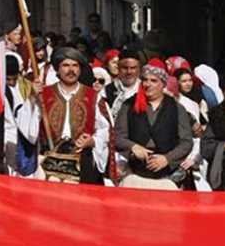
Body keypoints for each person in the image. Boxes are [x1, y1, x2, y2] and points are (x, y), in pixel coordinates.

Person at [18, 47, 109, 184]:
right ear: (57, 69)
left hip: (81, 163)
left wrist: (92, 141)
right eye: (66, 65)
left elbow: (106, 129)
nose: (71, 70)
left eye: (75, 65)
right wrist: (32, 97)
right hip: (49, 164)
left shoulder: (93, 96)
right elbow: (27, 130)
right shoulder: (44, 95)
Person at [114, 61, 193, 190]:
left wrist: (167, 159)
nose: (148, 84)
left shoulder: (177, 109)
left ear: (163, 84)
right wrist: (133, 147)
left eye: (154, 81)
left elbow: (186, 142)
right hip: (135, 173)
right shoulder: (128, 105)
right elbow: (116, 136)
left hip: (166, 176)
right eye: (145, 80)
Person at [105, 52, 141, 121]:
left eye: (133, 68)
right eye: (125, 68)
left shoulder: (146, 90)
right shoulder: (106, 91)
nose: (129, 72)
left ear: (139, 69)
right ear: (118, 68)